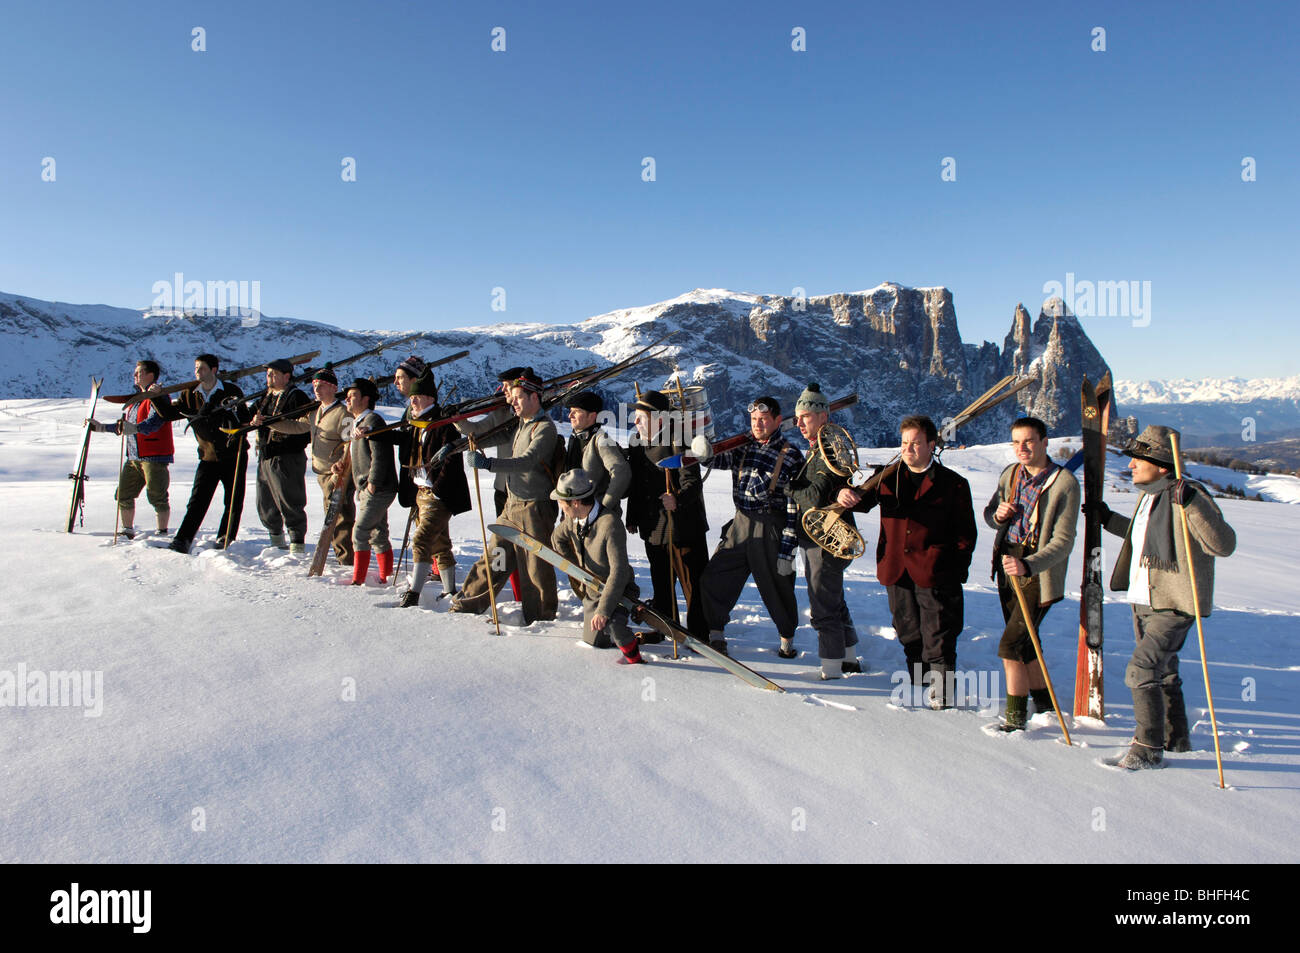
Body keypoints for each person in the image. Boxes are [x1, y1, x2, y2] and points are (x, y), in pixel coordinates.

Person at [1090, 424, 1236, 769]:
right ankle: (1177, 739)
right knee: (1164, 671)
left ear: (1159, 463)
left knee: (1140, 669)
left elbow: (1223, 545)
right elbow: (1142, 536)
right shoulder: (1150, 495)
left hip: (1175, 603)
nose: (1130, 466)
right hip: (1144, 600)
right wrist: (1107, 518)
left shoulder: (1189, 494)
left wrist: (1192, 504)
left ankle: (1147, 749)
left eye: (1137, 460)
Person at [839, 414, 976, 708]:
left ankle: (943, 693)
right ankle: (918, 682)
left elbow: (966, 534)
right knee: (907, 630)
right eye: (904, 443)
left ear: (931, 445)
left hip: (936, 572)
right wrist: (845, 494)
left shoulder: (953, 484)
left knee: (938, 633)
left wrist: (954, 571)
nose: (908, 449)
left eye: (915, 443)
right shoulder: (888, 477)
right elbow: (860, 501)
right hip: (896, 569)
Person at [983, 416, 1080, 730]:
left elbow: (1063, 542)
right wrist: (998, 516)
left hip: (1038, 570)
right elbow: (990, 514)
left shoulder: (1064, 483)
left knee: (1010, 646)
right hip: (1008, 562)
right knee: (1027, 642)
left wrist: (1029, 565)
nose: (1021, 448)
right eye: (1015, 442)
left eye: (1028, 441)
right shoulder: (1011, 474)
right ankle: (1044, 705)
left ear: (1044, 442)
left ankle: (1014, 719)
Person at [695, 395, 803, 657]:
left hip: (771, 527)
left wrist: (787, 549)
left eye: (764, 419)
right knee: (716, 576)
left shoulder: (790, 455)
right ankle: (716, 634)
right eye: (754, 419)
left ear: (778, 421)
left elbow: (793, 507)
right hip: (740, 523)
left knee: (777, 584)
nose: (758, 424)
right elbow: (716, 460)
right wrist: (703, 452)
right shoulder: (743, 446)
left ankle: (786, 639)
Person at [451, 367, 561, 624]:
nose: (512, 401)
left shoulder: (545, 429)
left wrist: (489, 465)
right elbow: (480, 435)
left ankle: (541, 617)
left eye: (519, 397)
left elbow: (527, 461)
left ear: (535, 397)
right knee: (495, 556)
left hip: (535, 507)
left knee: (536, 566)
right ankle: (467, 603)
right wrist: (457, 420)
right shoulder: (520, 425)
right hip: (512, 505)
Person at [787, 383, 862, 679]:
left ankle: (831, 670)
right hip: (827, 539)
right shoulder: (820, 449)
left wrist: (790, 487)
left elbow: (815, 497)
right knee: (835, 600)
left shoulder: (827, 451)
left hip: (825, 540)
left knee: (822, 605)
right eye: (798, 418)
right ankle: (849, 658)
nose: (799, 423)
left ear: (822, 418)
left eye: (805, 416)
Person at [625, 390, 710, 640]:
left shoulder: (679, 440)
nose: (635, 422)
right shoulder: (637, 443)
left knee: (693, 586)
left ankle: (699, 634)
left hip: (683, 528)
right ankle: (664, 627)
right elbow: (637, 486)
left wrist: (678, 499)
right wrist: (632, 516)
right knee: (662, 584)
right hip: (653, 528)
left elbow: (693, 482)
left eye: (640, 417)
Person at [550, 469, 644, 664]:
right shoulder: (573, 520)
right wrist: (575, 568)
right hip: (592, 590)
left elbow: (619, 573)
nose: (560, 506)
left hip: (618, 590)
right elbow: (556, 539)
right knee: (594, 641)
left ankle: (635, 659)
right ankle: (628, 633)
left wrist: (604, 610)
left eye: (561, 502)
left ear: (575, 502)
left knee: (614, 627)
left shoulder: (610, 524)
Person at [398, 371, 470, 607]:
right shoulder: (417, 424)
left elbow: (451, 460)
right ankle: (449, 590)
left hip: (438, 495)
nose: (413, 400)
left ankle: (414, 593)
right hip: (421, 493)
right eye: (412, 397)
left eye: (418, 396)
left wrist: (438, 490)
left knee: (420, 540)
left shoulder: (443, 425)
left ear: (431, 398)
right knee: (440, 544)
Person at [167, 354, 250, 553]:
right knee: (197, 500)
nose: (197, 372)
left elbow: (244, 419)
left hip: (234, 454)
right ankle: (183, 539)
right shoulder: (189, 393)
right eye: (196, 368)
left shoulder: (230, 391)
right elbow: (169, 414)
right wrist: (157, 396)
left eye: (202, 368)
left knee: (233, 499)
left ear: (213, 370)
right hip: (208, 456)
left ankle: (226, 536)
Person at [89, 359, 174, 538]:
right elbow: (127, 425)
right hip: (134, 455)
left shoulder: (159, 396)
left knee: (157, 495)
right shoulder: (137, 400)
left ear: (151, 375)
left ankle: (162, 532)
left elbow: (155, 422)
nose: (135, 376)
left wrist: (134, 428)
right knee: (123, 493)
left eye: (139, 372)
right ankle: (127, 530)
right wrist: (102, 427)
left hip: (154, 456)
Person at [250, 359, 312, 552]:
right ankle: (276, 543)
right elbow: (249, 416)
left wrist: (273, 423)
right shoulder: (265, 397)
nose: (269, 377)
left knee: (290, 500)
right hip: (266, 455)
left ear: (286, 376)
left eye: (273, 374)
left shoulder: (297, 397)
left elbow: (304, 427)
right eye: (268, 374)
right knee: (265, 501)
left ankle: (297, 544)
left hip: (287, 456)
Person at [344, 378, 398, 585]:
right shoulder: (359, 422)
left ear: (366, 399)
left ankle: (358, 580)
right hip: (370, 487)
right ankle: (385, 577)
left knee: (360, 532)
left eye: (353, 395)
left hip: (377, 488)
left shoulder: (373, 421)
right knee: (378, 532)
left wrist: (372, 484)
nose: (348, 398)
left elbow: (380, 455)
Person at [307, 365, 356, 566]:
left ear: (333, 388)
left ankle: (345, 558)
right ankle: (339, 554)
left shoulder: (343, 413)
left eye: (322, 386)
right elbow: (296, 426)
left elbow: (349, 443)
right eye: (315, 385)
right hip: (321, 472)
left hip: (337, 473)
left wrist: (341, 467)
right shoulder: (316, 411)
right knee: (331, 514)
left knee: (340, 515)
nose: (317, 390)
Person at [561, 389, 630, 511]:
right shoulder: (575, 439)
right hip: (577, 513)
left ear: (592, 416)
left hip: (598, 520)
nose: (570, 416)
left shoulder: (601, 440)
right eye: (570, 411)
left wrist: (603, 507)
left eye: (576, 412)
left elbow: (621, 472)